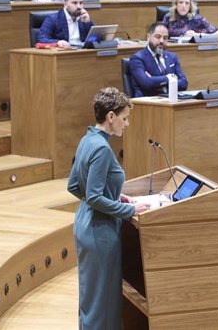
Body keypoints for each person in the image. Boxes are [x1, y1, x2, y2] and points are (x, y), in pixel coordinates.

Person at [67, 87, 150, 329]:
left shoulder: (87, 139)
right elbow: (94, 196)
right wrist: (130, 210)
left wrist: (115, 195)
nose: (127, 124)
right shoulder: (102, 148)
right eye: (124, 118)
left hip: (85, 225)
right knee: (104, 304)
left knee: (91, 299)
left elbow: (74, 186)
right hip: (100, 231)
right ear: (111, 117)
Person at [129, 22, 188, 97]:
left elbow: (184, 83)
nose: (161, 41)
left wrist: (155, 80)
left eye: (165, 38)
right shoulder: (137, 58)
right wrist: (169, 78)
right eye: (158, 37)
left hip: (169, 100)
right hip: (147, 103)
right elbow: (146, 83)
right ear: (148, 37)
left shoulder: (172, 57)